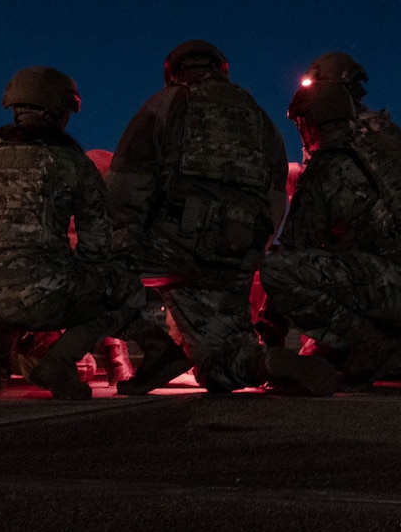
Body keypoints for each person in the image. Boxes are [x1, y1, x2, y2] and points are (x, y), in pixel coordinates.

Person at [108, 40, 337, 396]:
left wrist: (124, 240)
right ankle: (260, 362)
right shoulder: (259, 118)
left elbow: (128, 182)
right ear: (222, 70)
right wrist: (251, 252)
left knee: (88, 272)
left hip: (174, 248)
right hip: (237, 254)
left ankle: (157, 347)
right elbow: (276, 196)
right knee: (218, 358)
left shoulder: (166, 104)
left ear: (172, 72)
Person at [0, 67, 155, 406]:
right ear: (61, 111)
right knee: (127, 292)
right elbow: (97, 238)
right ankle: (58, 362)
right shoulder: (72, 162)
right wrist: (78, 275)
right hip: (42, 296)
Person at [261, 75, 401, 387]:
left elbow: (296, 249)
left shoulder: (327, 167)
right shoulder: (386, 154)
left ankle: (369, 342)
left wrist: (269, 331)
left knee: (276, 270)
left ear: (308, 123)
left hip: (387, 287)